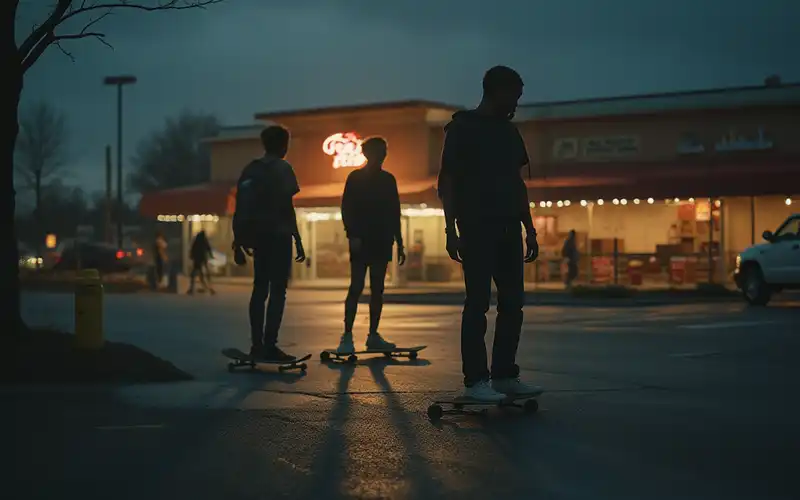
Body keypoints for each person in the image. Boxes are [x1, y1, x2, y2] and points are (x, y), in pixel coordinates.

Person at [437, 65, 541, 402]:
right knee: (477, 304)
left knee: (513, 303)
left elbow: (517, 182)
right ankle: (476, 381)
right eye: (513, 96)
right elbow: (448, 182)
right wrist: (450, 230)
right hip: (476, 226)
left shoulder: (509, 132)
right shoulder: (462, 128)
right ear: (495, 91)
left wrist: (529, 227)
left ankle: (504, 375)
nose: (515, 104)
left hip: (510, 225)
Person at [232, 125, 306, 362]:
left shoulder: (250, 170)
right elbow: (287, 207)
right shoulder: (283, 169)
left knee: (259, 288)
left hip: (257, 237)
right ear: (283, 144)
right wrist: (297, 237)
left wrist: (238, 240)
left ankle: (256, 345)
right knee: (277, 291)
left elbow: (240, 206)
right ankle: (270, 345)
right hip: (278, 235)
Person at [337, 137, 405, 353]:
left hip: (382, 240)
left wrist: (400, 241)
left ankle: (373, 335)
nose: (383, 155)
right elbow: (347, 208)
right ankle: (347, 335)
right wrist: (352, 235)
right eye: (380, 151)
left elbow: (395, 211)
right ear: (368, 154)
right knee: (356, 287)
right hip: (361, 240)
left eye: (385, 151)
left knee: (378, 289)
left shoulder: (388, 180)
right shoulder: (355, 178)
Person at [187, 230, 216, 295]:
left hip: (197, 259)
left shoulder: (196, 241)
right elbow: (208, 248)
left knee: (195, 274)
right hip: (203, 258)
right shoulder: (204, 240)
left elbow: (192, 249)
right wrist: (211, 256)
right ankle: (209, 288)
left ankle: (192, 288)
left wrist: (191, 256)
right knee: (204, 273)